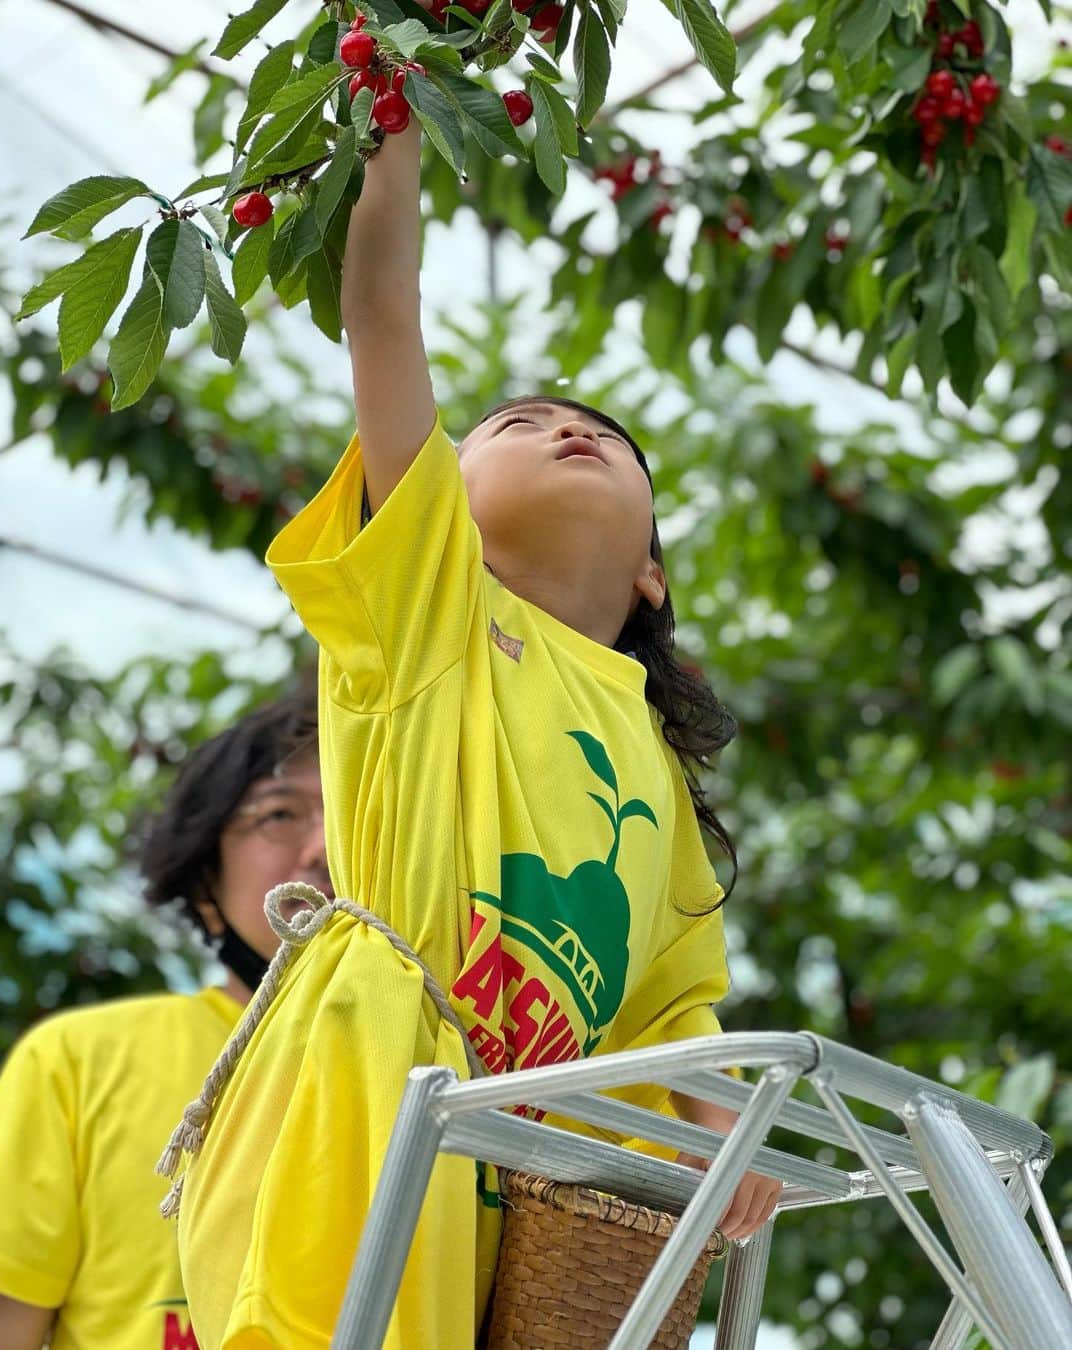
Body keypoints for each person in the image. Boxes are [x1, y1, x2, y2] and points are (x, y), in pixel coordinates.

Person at [174, 113, 781, 1349]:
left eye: (607, 440)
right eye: (512, 425)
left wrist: (726, 1132)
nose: (573, 428)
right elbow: (381, 318)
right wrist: (393, 130)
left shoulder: (654, 767)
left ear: (654, 579)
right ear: (439, 497)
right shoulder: (428, 609)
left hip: (526, 1152)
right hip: (364, 1097)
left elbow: (673, 1007)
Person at [0, 690, 328, 1350]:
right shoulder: (79, 1061)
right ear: (205, 886)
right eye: (280, 814)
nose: (322, 847)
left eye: (353, 810)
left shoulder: (450, 1077)